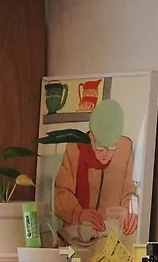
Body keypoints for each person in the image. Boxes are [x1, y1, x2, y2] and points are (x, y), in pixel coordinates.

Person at [51, 97, 139, 238]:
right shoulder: (75, 149)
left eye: (111, 148)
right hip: (77, 235)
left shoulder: (125, 148)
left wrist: (131, 210)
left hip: (112, 235)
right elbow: (59, 194)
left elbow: (132, 190)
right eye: (100, 147)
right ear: (91, 138)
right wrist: (79, 213)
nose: (105, 154)